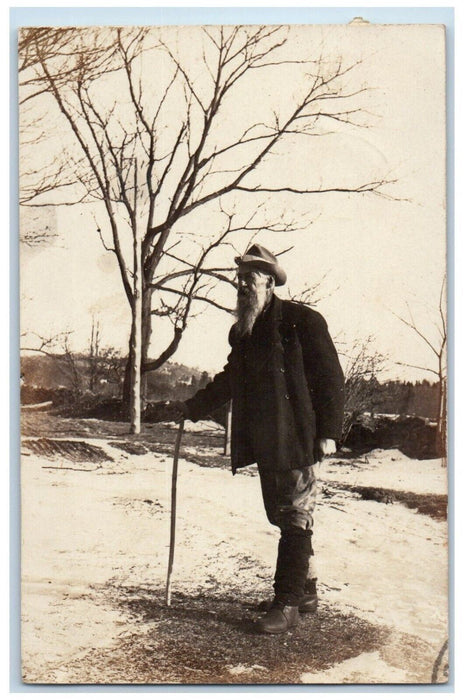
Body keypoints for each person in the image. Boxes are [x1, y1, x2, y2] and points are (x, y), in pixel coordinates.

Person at [169, 244, 344, 634]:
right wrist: (193, 407)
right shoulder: (244, 330)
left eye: (251, 277)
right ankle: (306, 590)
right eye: (240, 278)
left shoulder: (303, 321)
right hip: (266, 440)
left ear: (269, 280)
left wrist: (330, 432)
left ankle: (287, 605)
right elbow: (231, 378)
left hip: (299, 435)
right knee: (284, 515)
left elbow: (331, 378)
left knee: (295, 515)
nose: (243, 285)